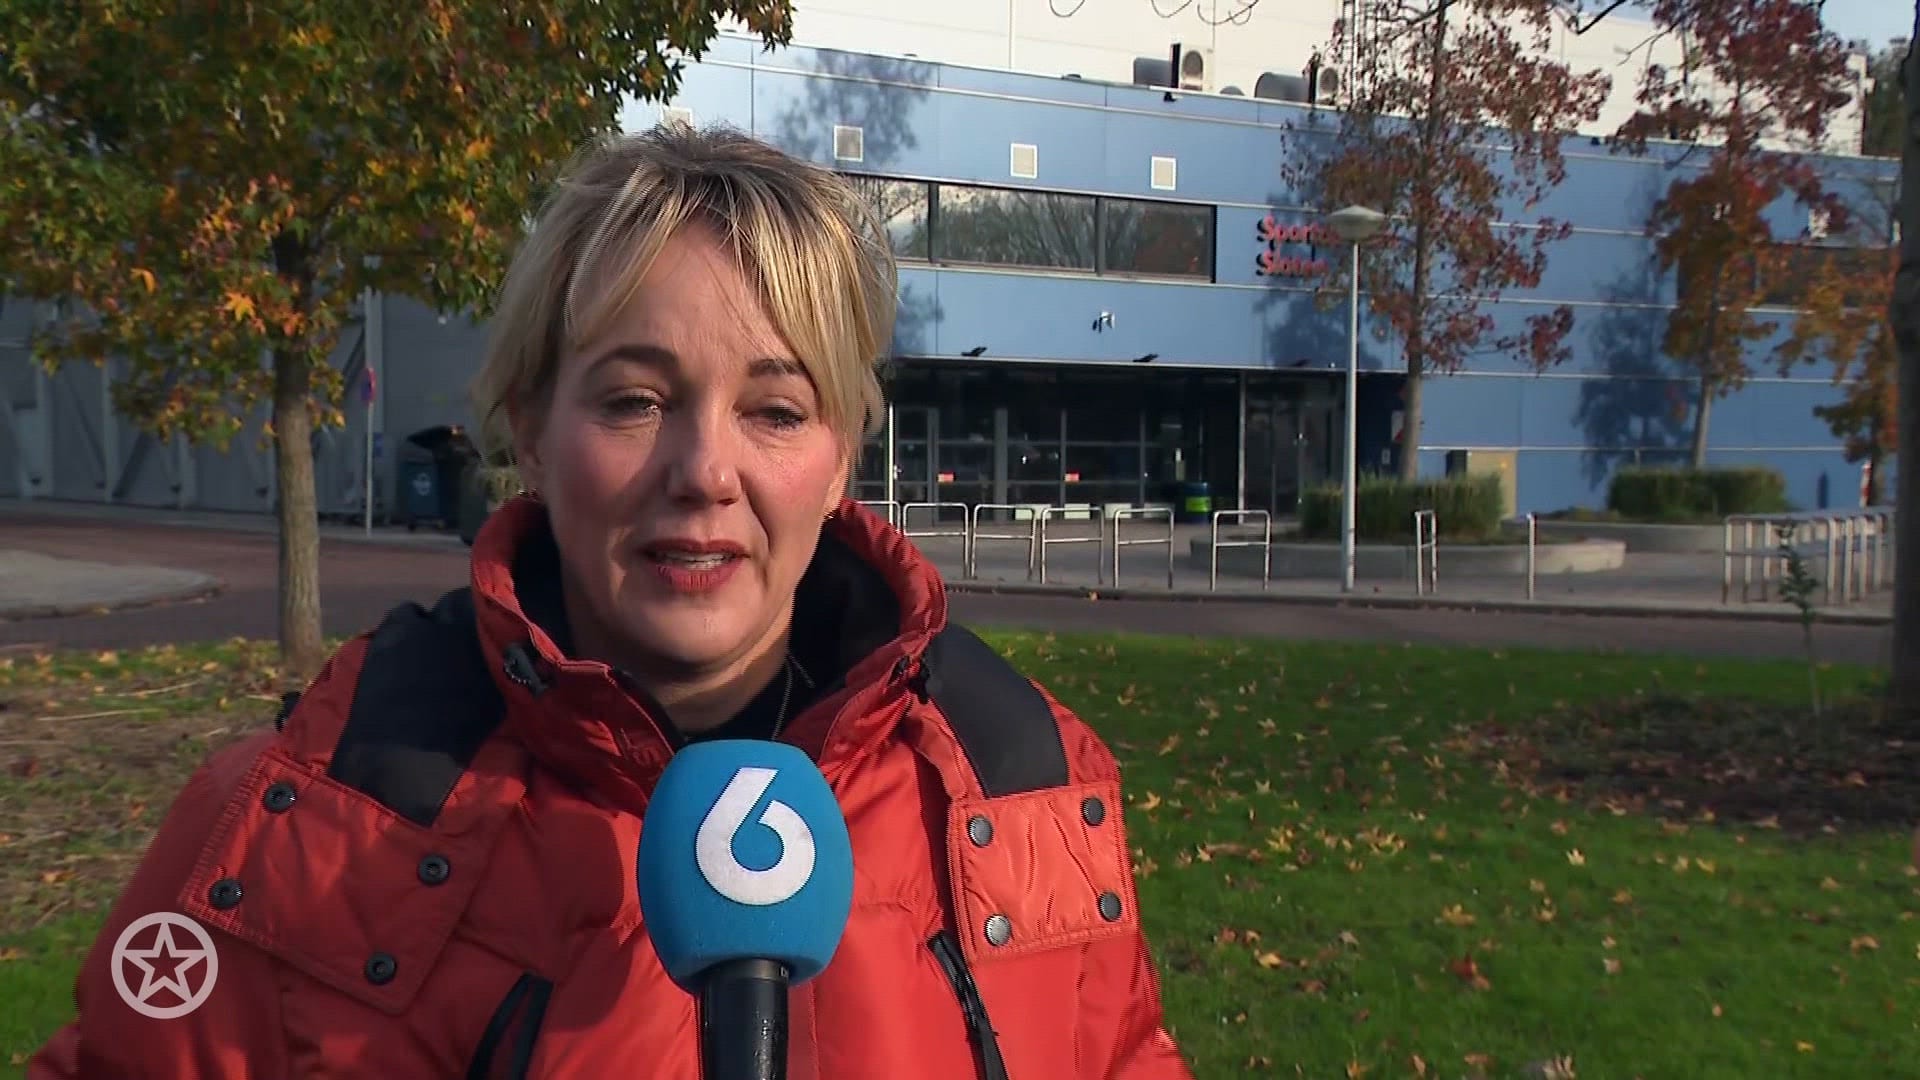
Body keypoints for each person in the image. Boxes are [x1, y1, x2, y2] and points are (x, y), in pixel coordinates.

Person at [29, 124, 1193, 1079]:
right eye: (637, 400)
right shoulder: (300, 820)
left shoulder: (1020, 784)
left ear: (841, 460)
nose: (705, 469)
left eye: (776, 411)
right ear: (532, 429)